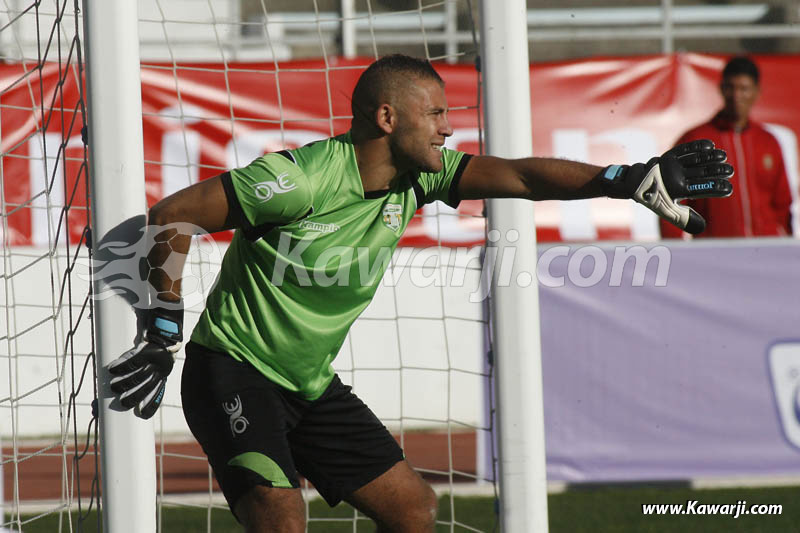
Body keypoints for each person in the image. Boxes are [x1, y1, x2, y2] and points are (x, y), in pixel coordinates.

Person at [107, 54, 733, 532]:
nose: (445, 128)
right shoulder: (299, 180)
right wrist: (162, 325)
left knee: (413, 511)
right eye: (435, 113)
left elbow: (519, 175)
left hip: (308, 383)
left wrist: (622, 180)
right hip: (232, 369)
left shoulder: (421, 179)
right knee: (280, 513)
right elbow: (171, 215)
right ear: (387, 117)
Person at [660, 56, 793, 239]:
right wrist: (673, 252)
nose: (737, 96)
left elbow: (782, 204)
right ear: (722, 89)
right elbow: (669, 200)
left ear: (756, 92)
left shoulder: (768, 142)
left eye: (744, 89)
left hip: (766, 252)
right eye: (731, 88)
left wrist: (786, 248)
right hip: (715, 253)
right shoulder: (696, 140)